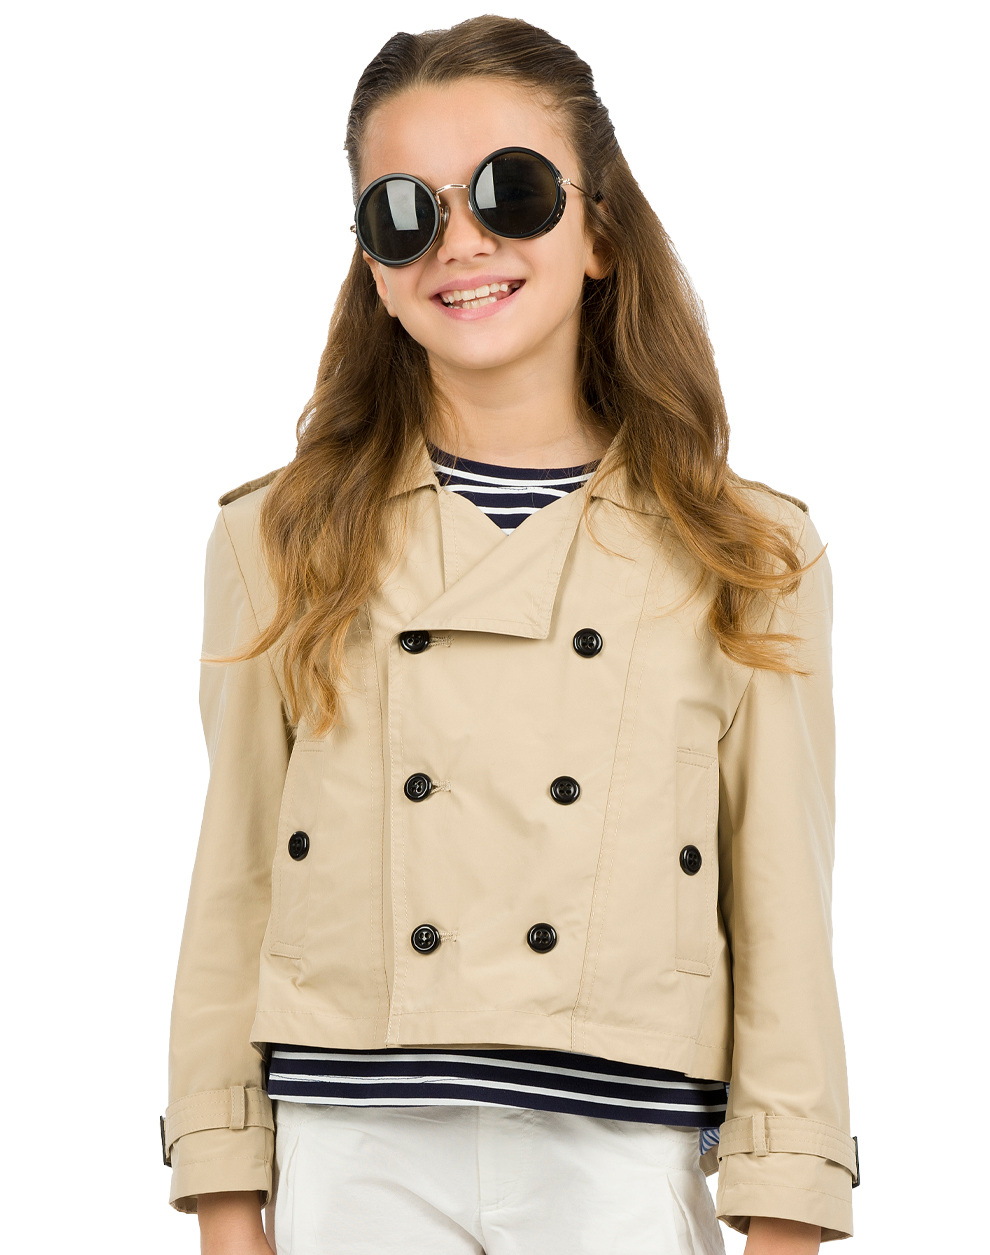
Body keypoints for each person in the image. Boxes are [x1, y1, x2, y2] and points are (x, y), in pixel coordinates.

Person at [161, 14, 859, 1255]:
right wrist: (223, 1198)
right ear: (373, 266)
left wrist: (788, 1210)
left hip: (623, 1149)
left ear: (601, 231)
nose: (462, 243)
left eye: (512, 192)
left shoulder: (751, 551)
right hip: (353, 1144)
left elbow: (784, 904)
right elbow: (235, 880)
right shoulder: (274, 537)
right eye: (404, 214)